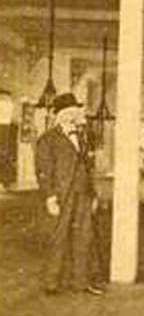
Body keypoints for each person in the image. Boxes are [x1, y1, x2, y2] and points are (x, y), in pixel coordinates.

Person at [34, 92, 104, 296]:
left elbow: (87, 167)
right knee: (59, 237)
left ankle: (81, 282)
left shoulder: (82, 137)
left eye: (76, 112)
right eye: (71, 112)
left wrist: (93, 194)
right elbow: (43, 171)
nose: (75, 116)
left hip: (83, 195)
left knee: (85, 236)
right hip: (61, 195)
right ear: (62, 115)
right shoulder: (47, 140)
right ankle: (52, 283)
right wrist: (49, 197)